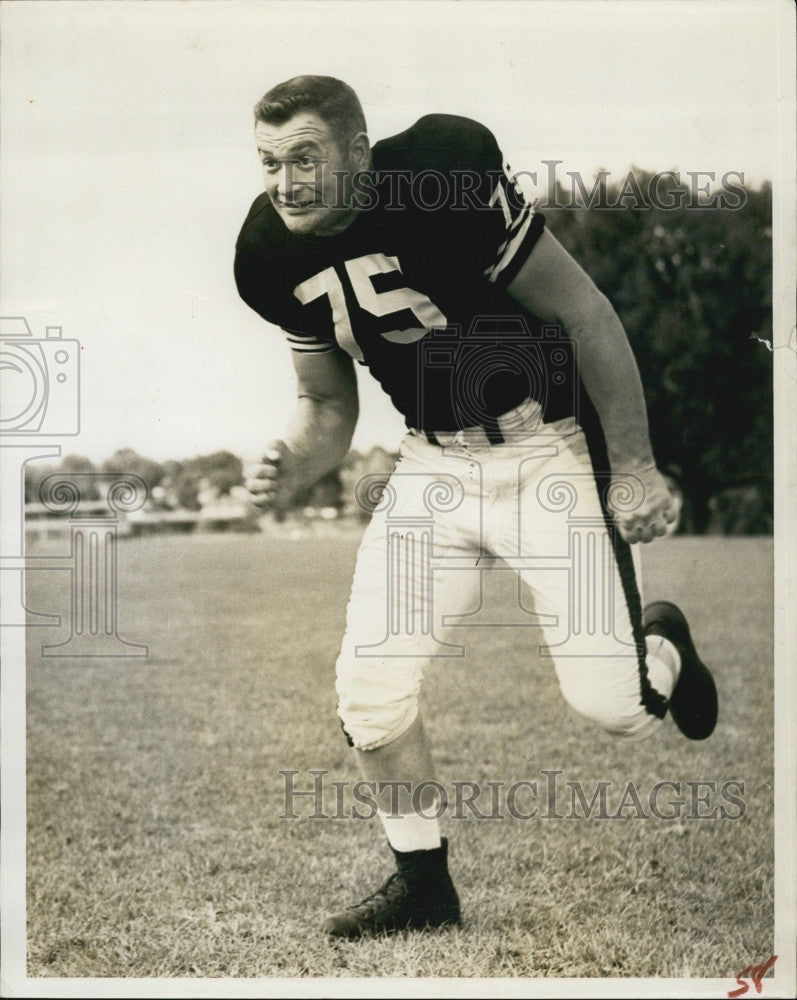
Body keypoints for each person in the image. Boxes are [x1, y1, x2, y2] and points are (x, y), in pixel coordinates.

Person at [235, 75, 718, 938]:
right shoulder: (269, 254)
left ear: (359, 151)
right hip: (433, 465)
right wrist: (289, 465)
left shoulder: (441, 177)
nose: (284, 182)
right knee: (368, 694)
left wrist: (635, 463)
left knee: (615, 709)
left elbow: (587, 314)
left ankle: (662, 638)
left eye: (304, 157)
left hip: (550, 450)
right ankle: (424, 887)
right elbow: (326, 408)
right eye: (269, 162)